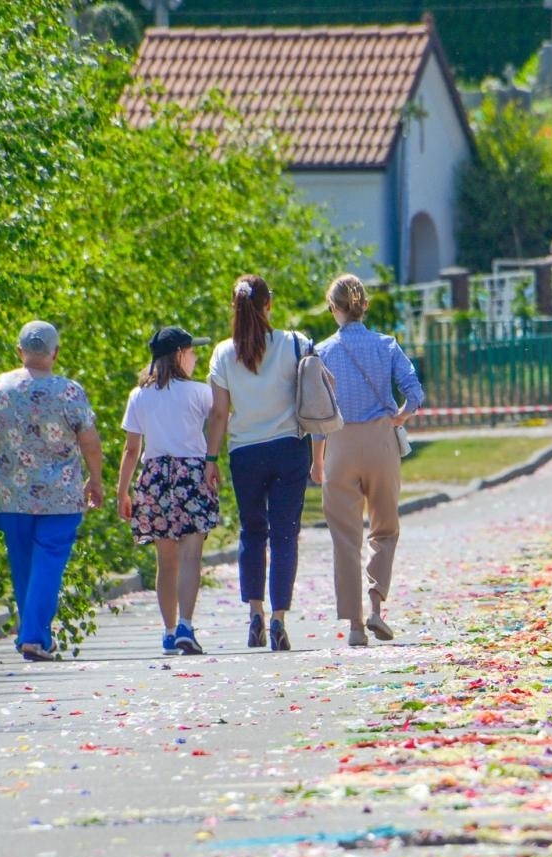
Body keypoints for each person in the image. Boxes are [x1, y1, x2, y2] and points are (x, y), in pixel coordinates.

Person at [0, 322, 104, 662]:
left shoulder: (0, 386)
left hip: (10, 495)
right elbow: (90, 442)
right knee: (48, 564)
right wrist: (95, 480)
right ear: (55, 353)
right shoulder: (69, 391)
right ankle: (34, 636)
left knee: (24, 566)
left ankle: (32, 635)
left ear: (20, 352)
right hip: (60, 497)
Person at [310, 274, 425, 647]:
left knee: (345, 536)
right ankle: (376, 605)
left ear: (333, 308)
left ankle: (356, 626)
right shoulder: (386, 345)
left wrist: (318, 458)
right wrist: (401, 416)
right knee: (385, 528)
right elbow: (414, 392)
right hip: (380, 441)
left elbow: (317, 412)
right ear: (363, 306)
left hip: (339, 442)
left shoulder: (322, 352)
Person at [205, 275, 313, 653]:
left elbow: (219, 413)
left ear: (234, 308)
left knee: (253, 531)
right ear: (269, 305)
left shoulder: (222, 353)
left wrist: (210, 458)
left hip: (244, 451)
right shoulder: (294, 343)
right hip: (289, 447)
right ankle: (280, 618)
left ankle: (255, 613)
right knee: (285, 534)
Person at [115, 327, 221, 655]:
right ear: (179, 354)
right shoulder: (199, 392)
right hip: (192, 473)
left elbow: (132, 449)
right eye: (192, 351)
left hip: (155, 475)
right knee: (191, 556)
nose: (196, 357)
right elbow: (221, 419)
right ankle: (187, 625)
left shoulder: (139, 396)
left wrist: (123, 492)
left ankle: (169, 630)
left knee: (166, 560)